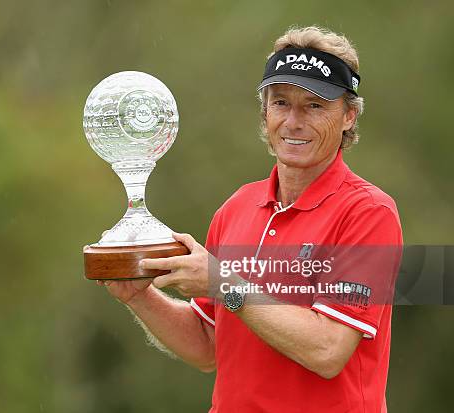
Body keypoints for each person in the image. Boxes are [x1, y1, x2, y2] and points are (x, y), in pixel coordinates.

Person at [93, 26, 402, 412]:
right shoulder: (238, 206)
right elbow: (208, 346)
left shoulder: (368, 212)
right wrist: (141, 298)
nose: (294, 121)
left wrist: (224, 282)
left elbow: (328, 349)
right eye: (281, 103)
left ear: (348, 116)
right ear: (265, 111)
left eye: (315, 106)